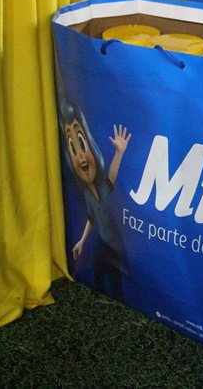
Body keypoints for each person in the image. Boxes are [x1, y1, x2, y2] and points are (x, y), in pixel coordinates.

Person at [61, 102, 131, 299]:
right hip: (101, 244)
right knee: (98, 277)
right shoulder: (86, 193)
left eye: (82, 144)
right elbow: (92, 218)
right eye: (73, 148)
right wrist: (81, 242)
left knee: (116, 283)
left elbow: (112, 177)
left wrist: (119, 153)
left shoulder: (103, 188)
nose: (81, 156)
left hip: (114, 246)